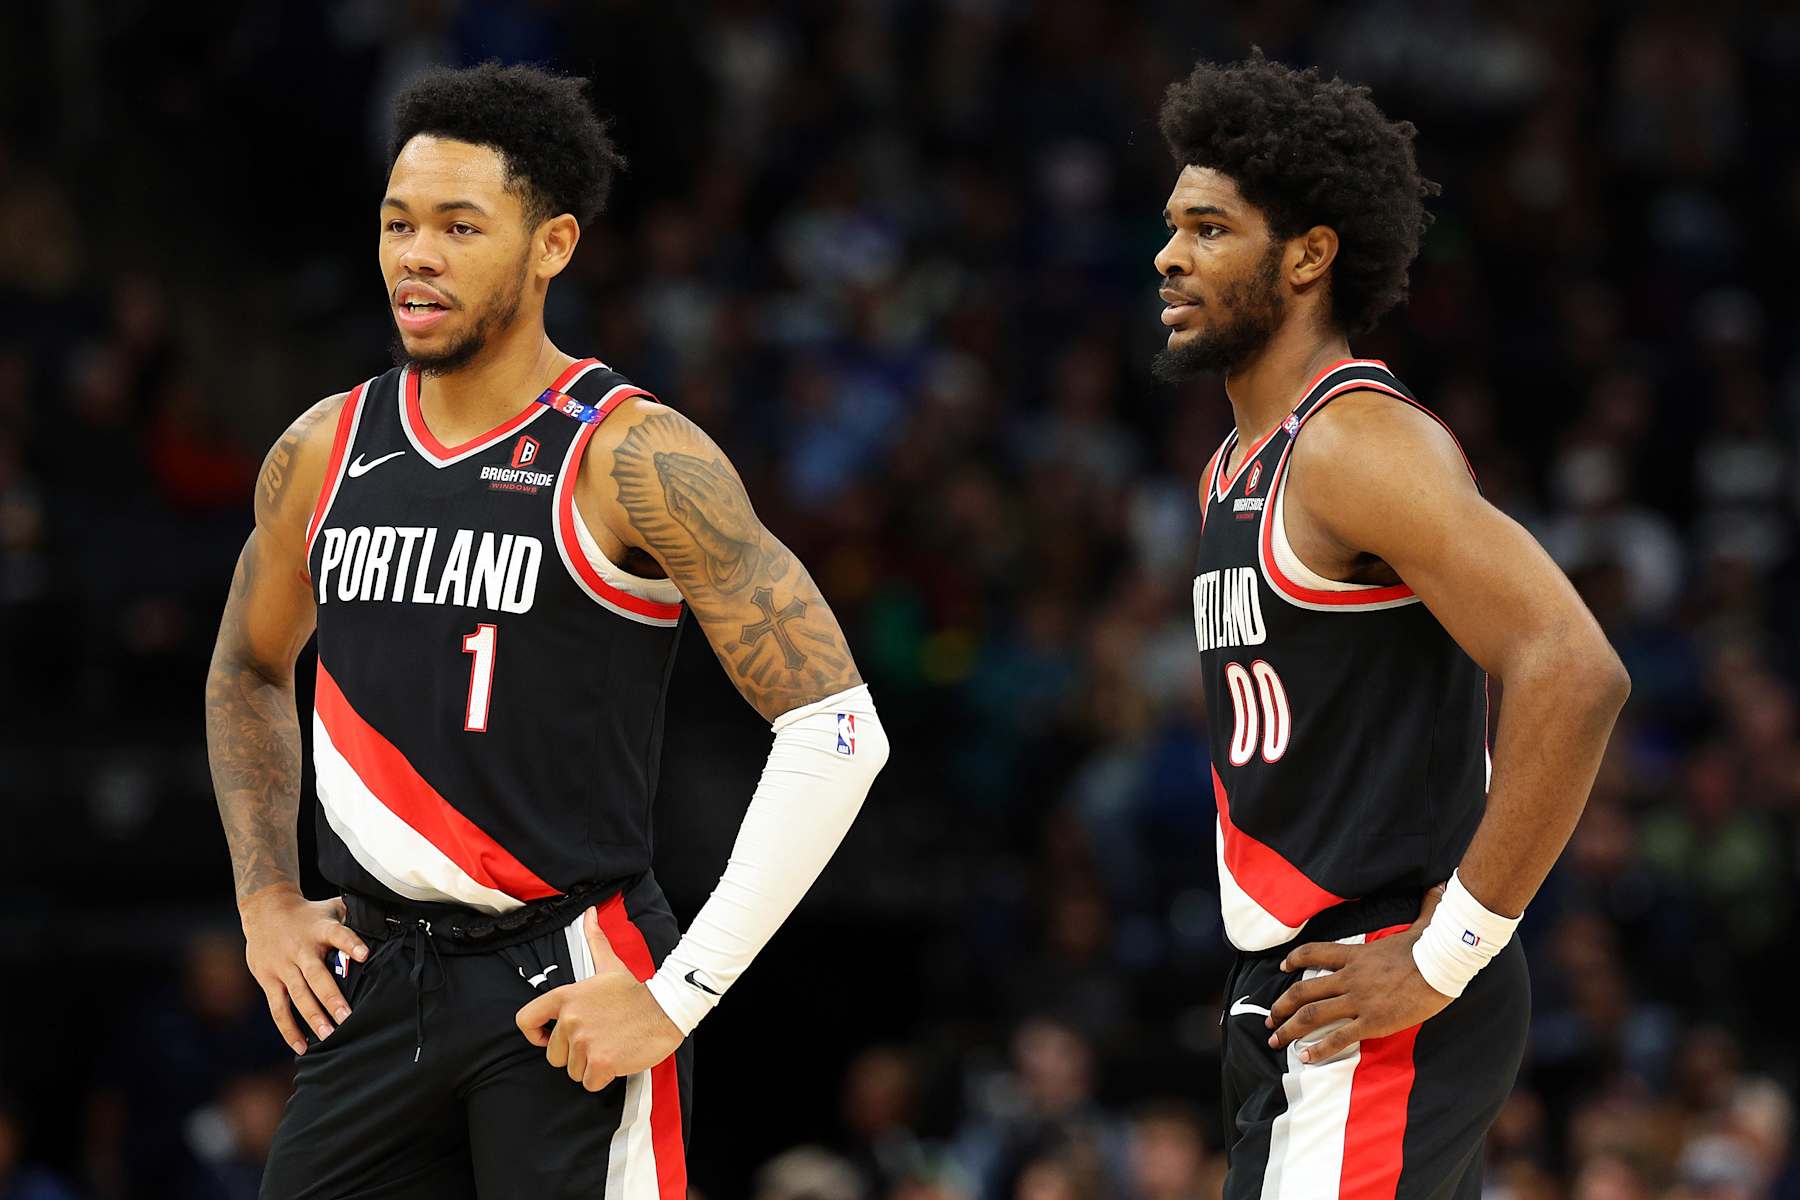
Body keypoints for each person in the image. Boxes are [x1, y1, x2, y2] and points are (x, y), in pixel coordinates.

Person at [203, 62, 888, 1197]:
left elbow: (839, 728)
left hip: (564, 976)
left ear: (552, 246)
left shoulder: (633, 456)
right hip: (375, 976)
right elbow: (245, 667)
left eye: (458, 226)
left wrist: (680, 995)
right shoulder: (324, 447)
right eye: (398, 223)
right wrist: (266, 896)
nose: (415, 253)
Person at [1150, 53, 1629, 1196]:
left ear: (1310, 253)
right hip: (1297, 983)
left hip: (1375, 971)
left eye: (1211, 229)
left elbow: (1574, 668)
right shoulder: (1233, 468)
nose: (1168, 255)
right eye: (1171, 226)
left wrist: (1446, 951)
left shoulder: (1354, 442)